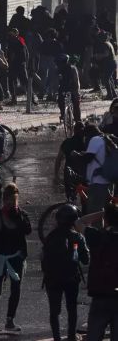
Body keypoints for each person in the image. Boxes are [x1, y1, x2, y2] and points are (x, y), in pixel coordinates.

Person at [0, 183, 31, 332]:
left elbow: (28, 230)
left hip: (16, 257)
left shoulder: (22, 215)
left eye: (13, 200)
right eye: (8, 200)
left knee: (15, 288)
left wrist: (17, 215)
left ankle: (10, 320)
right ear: (3, 200)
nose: (10, 203)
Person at [42, 204, 88, 341]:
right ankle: (71, 336)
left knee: (54, 311)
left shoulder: (51, 236)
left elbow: (44, 258)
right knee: (72, 308)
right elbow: (86, 259)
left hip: (53, 278)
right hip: (71, 278)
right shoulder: (78, 237)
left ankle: (56, 337)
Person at [81, 203, 118, 341]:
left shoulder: (96, 236)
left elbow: (79, 222)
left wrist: (102, 213)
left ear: (106, 220)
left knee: (94, 335)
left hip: (101, 295)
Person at [84, 125, 115, 213]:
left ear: (89, 133)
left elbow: (88, 158)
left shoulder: (95, 139)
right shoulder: (108, 138)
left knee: (95, 213)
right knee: (107, 212)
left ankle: (98, 227)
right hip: (109, 182)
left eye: (86, 136)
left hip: (98, 182)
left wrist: (78, 155)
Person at [56, 54, 82, 124]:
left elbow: (56, 82)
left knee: (62, 101)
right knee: (75, 103)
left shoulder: (61, 69)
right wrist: (77, 92)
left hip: (66, 89)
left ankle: (65, 115)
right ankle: (77, 120)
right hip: (70, 89)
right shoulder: (72, 68)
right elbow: (77, 81)